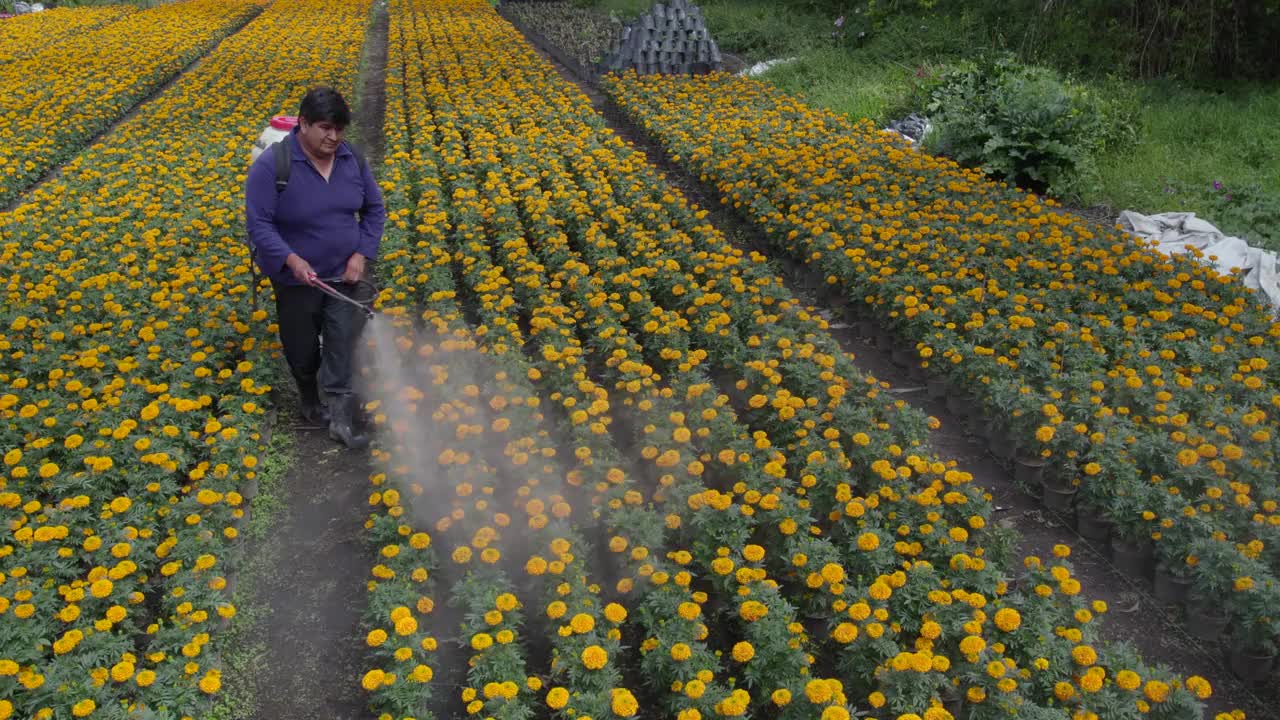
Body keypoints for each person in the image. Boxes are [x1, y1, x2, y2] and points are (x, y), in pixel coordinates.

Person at [245, 87, 384, 449]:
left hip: (342, 275)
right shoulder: (272, 166)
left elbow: (374, 210)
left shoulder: (352, 159)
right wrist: (291, 259)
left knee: (340, 341)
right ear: (303, 124)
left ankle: (341, 419)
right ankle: (309, 396)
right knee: (302, 347)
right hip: (295, 280)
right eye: (324, 127)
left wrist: (361, 254)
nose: (333, 137)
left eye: (339, 129)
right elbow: (259, 224)